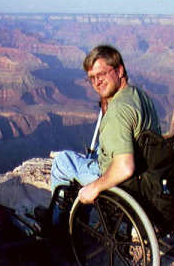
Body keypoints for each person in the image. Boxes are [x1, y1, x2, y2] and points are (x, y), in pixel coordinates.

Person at [49, 44, 160, 214]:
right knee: (92, 153)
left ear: (119, 71)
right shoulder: (137, 95)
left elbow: (124, 167)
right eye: (92, 78)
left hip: (119, 179)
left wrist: (94, 187)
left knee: (62, 161)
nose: (97, 82)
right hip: (145, 171)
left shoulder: (118, 112)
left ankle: (58, 224)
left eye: (101, 74)